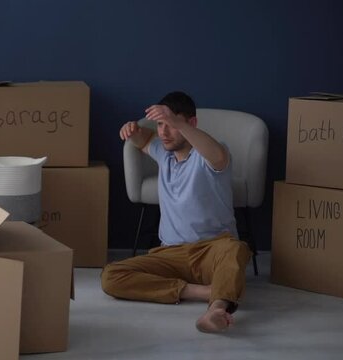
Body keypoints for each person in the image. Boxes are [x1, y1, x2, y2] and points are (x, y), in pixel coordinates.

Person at [101, 91, 251, 333]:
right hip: (170, 253)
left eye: (170, 125)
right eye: (160, 125)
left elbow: (218, 156)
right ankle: (204, 292)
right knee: (111, 276)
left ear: (190, 123)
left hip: (212, 249)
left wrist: (175, 121)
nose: (163, 132)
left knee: (236, 249)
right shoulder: (164, 154)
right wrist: (133, 129)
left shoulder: (209, 155)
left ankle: (216, 309)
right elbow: (144, 138)